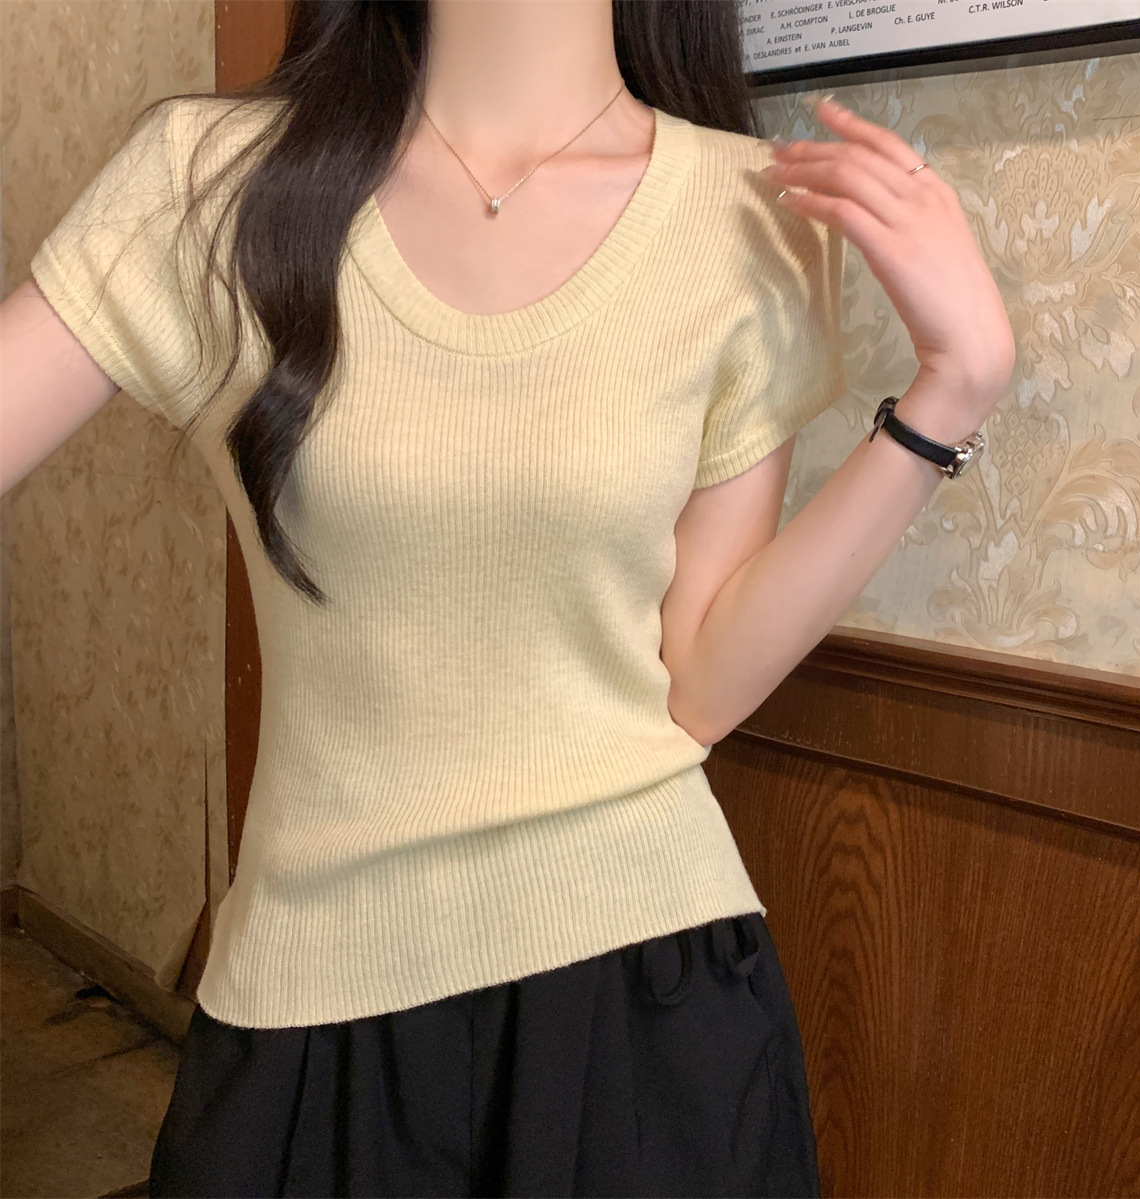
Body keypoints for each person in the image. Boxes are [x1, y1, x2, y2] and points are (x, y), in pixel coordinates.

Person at [0, 1, 1014, 1195]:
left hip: (649, 995)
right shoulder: (212, 182)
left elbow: (693, 682)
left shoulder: (750, 208)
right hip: (313, 997)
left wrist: (953, 391)